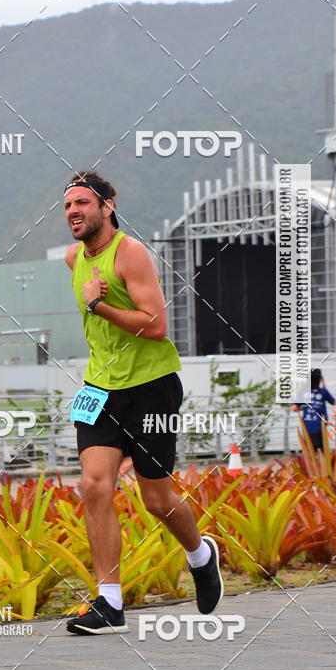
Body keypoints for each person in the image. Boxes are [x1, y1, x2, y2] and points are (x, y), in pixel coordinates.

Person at [63, 171, 222, 635]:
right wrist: (94, 307)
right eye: (68, 205)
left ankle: (200, 554)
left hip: (151, 388)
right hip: (99, 387)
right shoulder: (73, 258)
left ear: (107, 206)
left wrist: (99, 306)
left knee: (155, 498)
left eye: (82, 203)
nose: (73, 212)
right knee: (94, 486)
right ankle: (109, 603)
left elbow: (155, 326)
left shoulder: (130, 254)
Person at [291, 368, 336, 453]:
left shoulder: (303, 392)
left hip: (307, 425)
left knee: (310, 450)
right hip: (321, 426)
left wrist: (304, 407)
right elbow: (333, 402)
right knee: (322, 450)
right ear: (320, 379)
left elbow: (294, 408)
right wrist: (324, 385)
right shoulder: (323, 392)